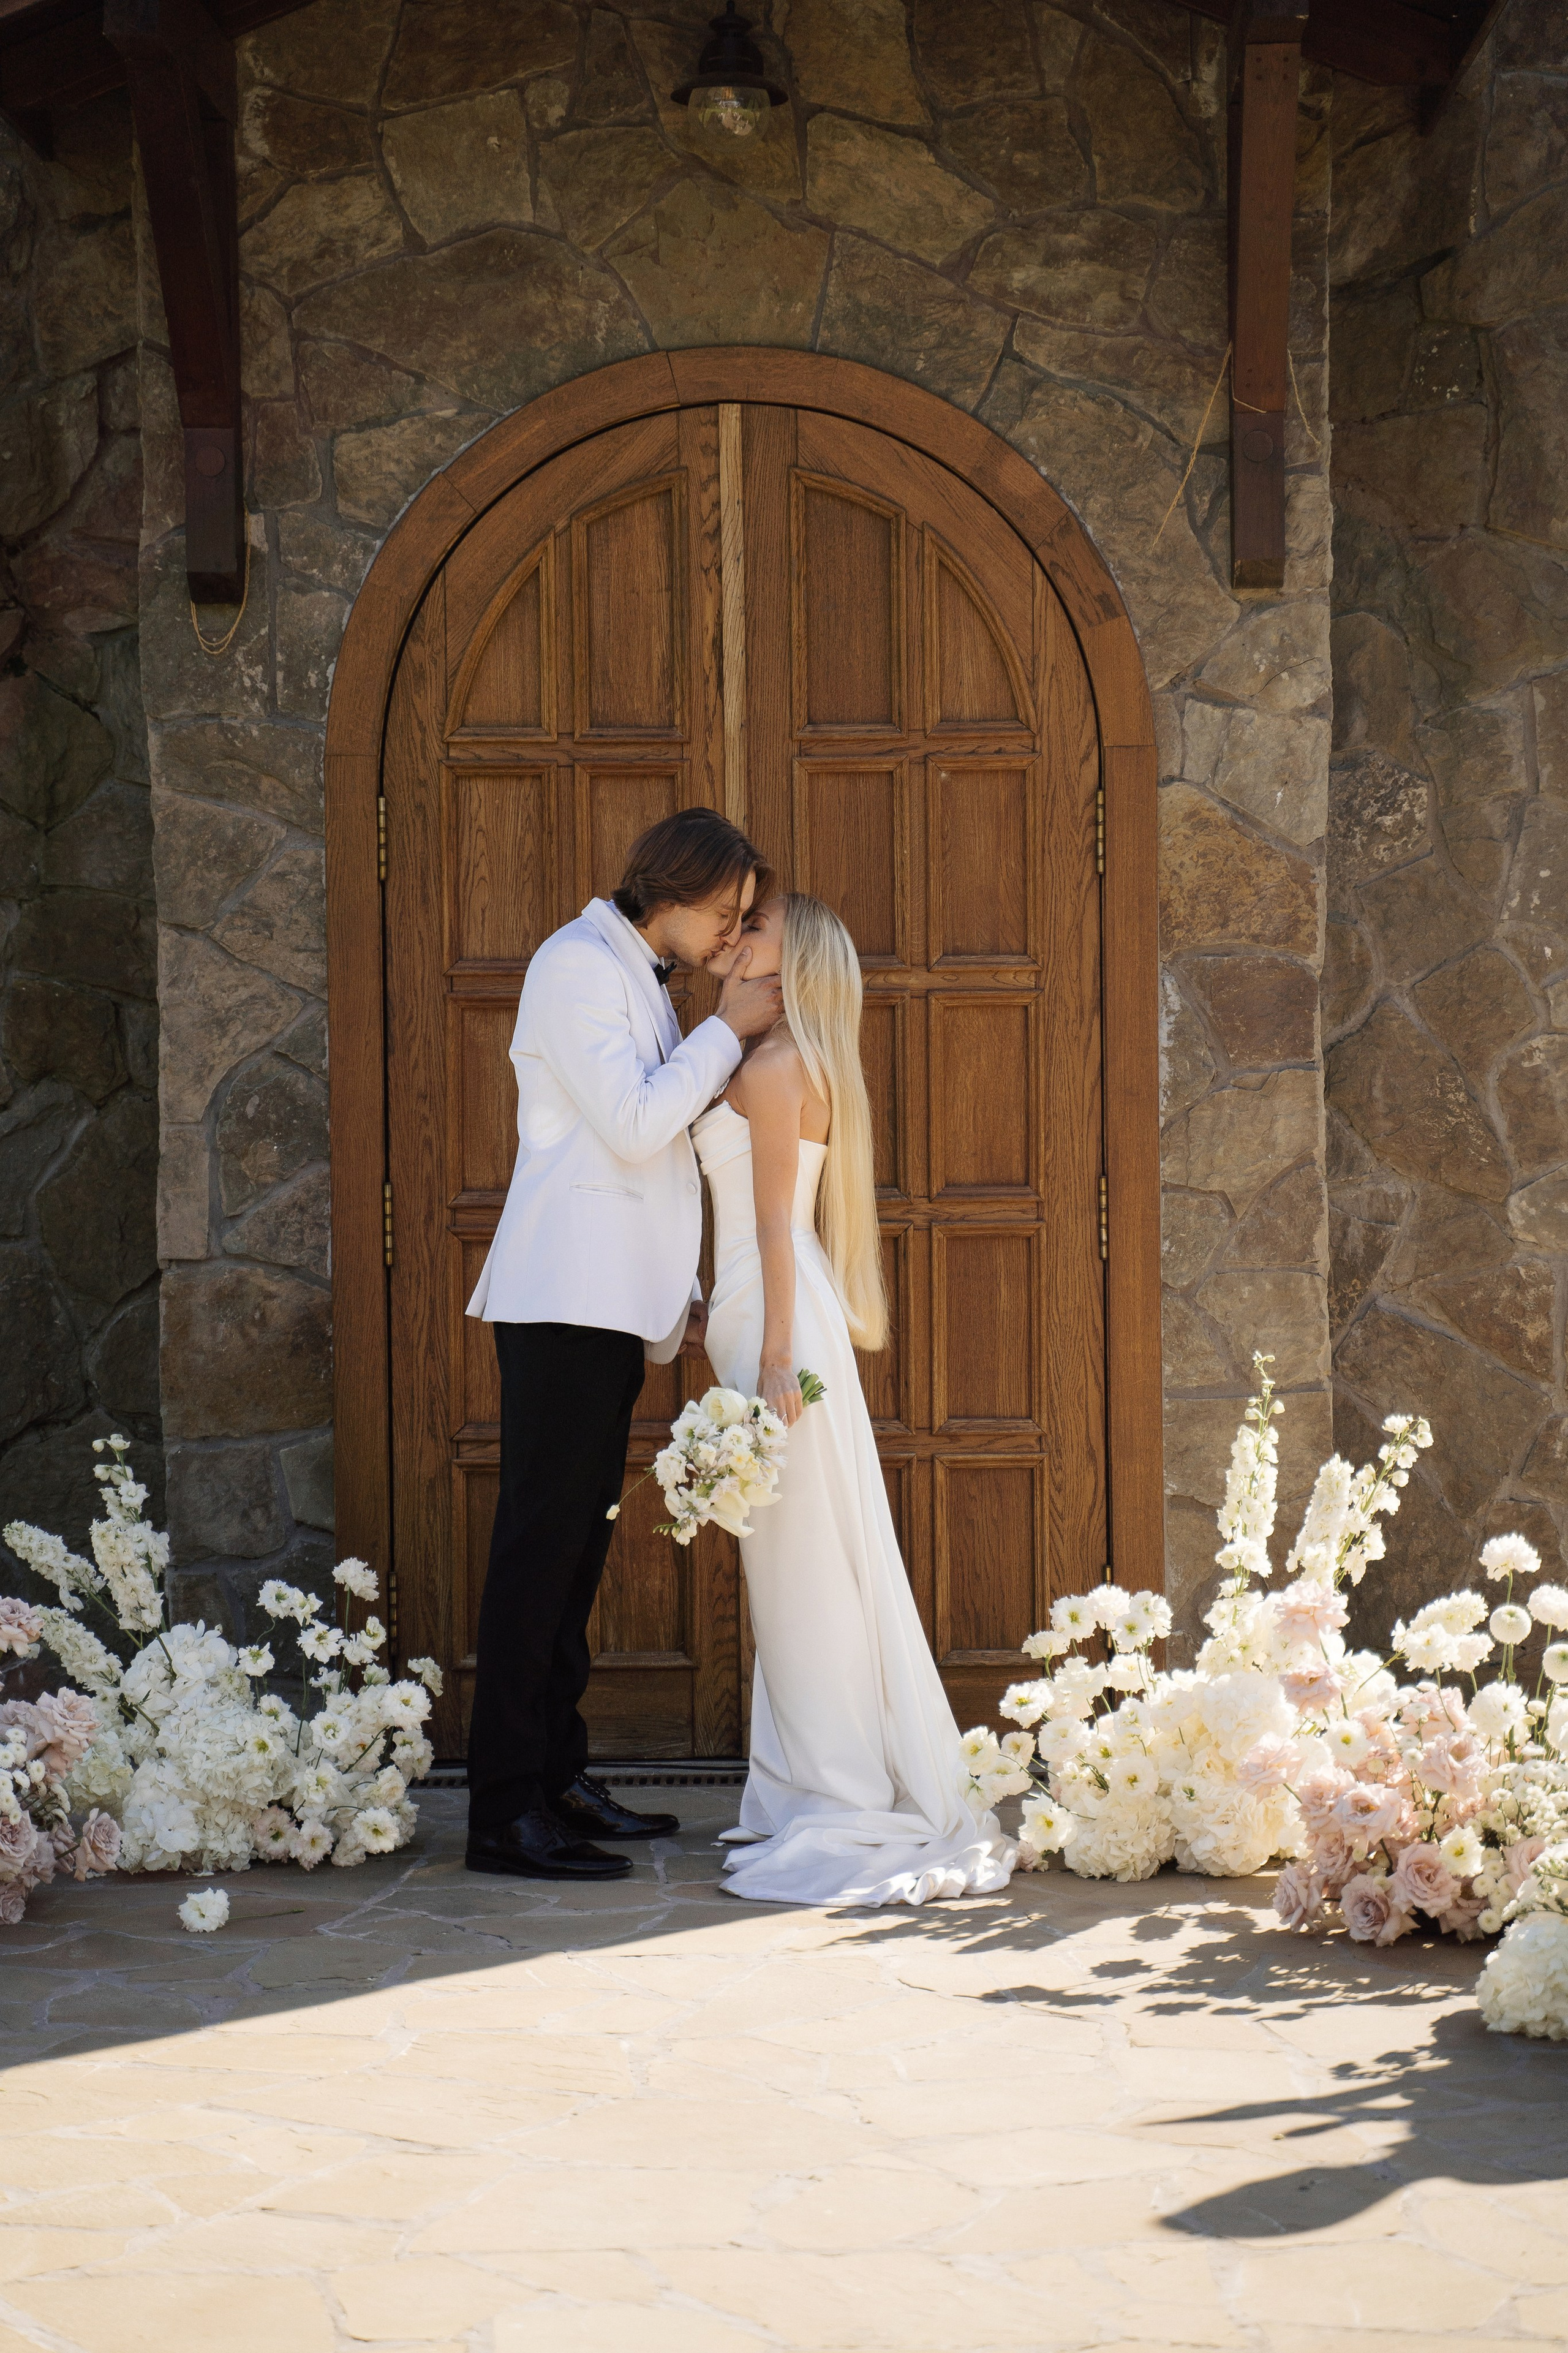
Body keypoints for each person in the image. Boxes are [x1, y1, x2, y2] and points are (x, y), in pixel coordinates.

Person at [464, 809, 781, 1880]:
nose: (734, 936)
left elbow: (642, 1164)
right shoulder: (574, 964)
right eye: (727, 913)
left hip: (608, 1307)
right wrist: (730, 1032)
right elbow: (639, 1124)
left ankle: (557, 1773)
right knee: (537, 1555)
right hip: (560, 1303)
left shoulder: (635, 973)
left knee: (578, 1550)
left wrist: (680, 1293)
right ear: (672, 888)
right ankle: (507, 1811)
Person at [694, 893, 1016, 1906]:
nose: (737, 938)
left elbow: (780, 1228)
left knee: (805, 1566)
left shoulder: (778, 1067)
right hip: (762, 1312)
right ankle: (809, 1780)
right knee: (795, 1559)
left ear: (789, 971)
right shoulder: (771, 1055)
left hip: (779, 1322)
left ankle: (836, 1789)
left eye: (758, 933)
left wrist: (779, 1355)